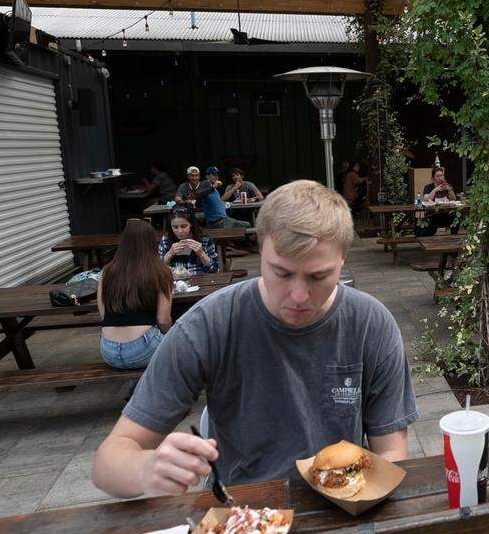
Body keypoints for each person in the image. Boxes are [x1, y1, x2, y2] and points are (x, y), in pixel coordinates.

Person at [92, 180, 421, 498]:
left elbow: (391, 451)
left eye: (319, 276)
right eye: (281, 273)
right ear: (259, 252)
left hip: (340, 507)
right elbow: (107, 464)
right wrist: (146, 468)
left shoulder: (371, 324)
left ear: (342, 262)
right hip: (242, 511)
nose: (299, 295)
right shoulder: (211, 323)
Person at [98, 220, 174, 370]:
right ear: (152, 242)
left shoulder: (107, 271)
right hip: (143, 347)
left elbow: (102, 313)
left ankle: (137, 387)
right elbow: (163, 320)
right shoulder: (161, 271)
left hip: (108, 350)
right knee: (180, 343)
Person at [158, 206, 220, 275]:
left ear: (191, 224)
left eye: (184, 226)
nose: (180, 231)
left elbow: (215, 270)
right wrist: (170, 253)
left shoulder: (204, 240)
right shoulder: (166, 240)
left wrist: (202, 254)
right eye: (175, 227)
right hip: (176, 283)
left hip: (200, 282)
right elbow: (158, 271)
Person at [201, 166, 252, 233]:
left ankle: (238, 242)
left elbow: (219, 201)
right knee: (247, 225)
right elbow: (199, 194)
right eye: (213, 174)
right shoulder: (205, 184)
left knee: (246, 223)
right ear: (207, 176)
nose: (216, 176)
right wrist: (213, 187)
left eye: (217, 175)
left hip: (224, 219)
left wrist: (223, 204)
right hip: (219, 222)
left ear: (242, 176)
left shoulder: (248, 184)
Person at [415, 166, 459, 237]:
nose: (440, 178)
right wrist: (436, 189)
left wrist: (449, 189)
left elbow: (453, 199)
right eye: (437, 176)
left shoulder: (447, 186)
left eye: (441, 175)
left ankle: (454, 237)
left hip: (445, 214)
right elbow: (426, 199)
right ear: (433, 178)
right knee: (428, 222)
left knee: (456, 217)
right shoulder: (428, 187)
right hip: (433, 215)